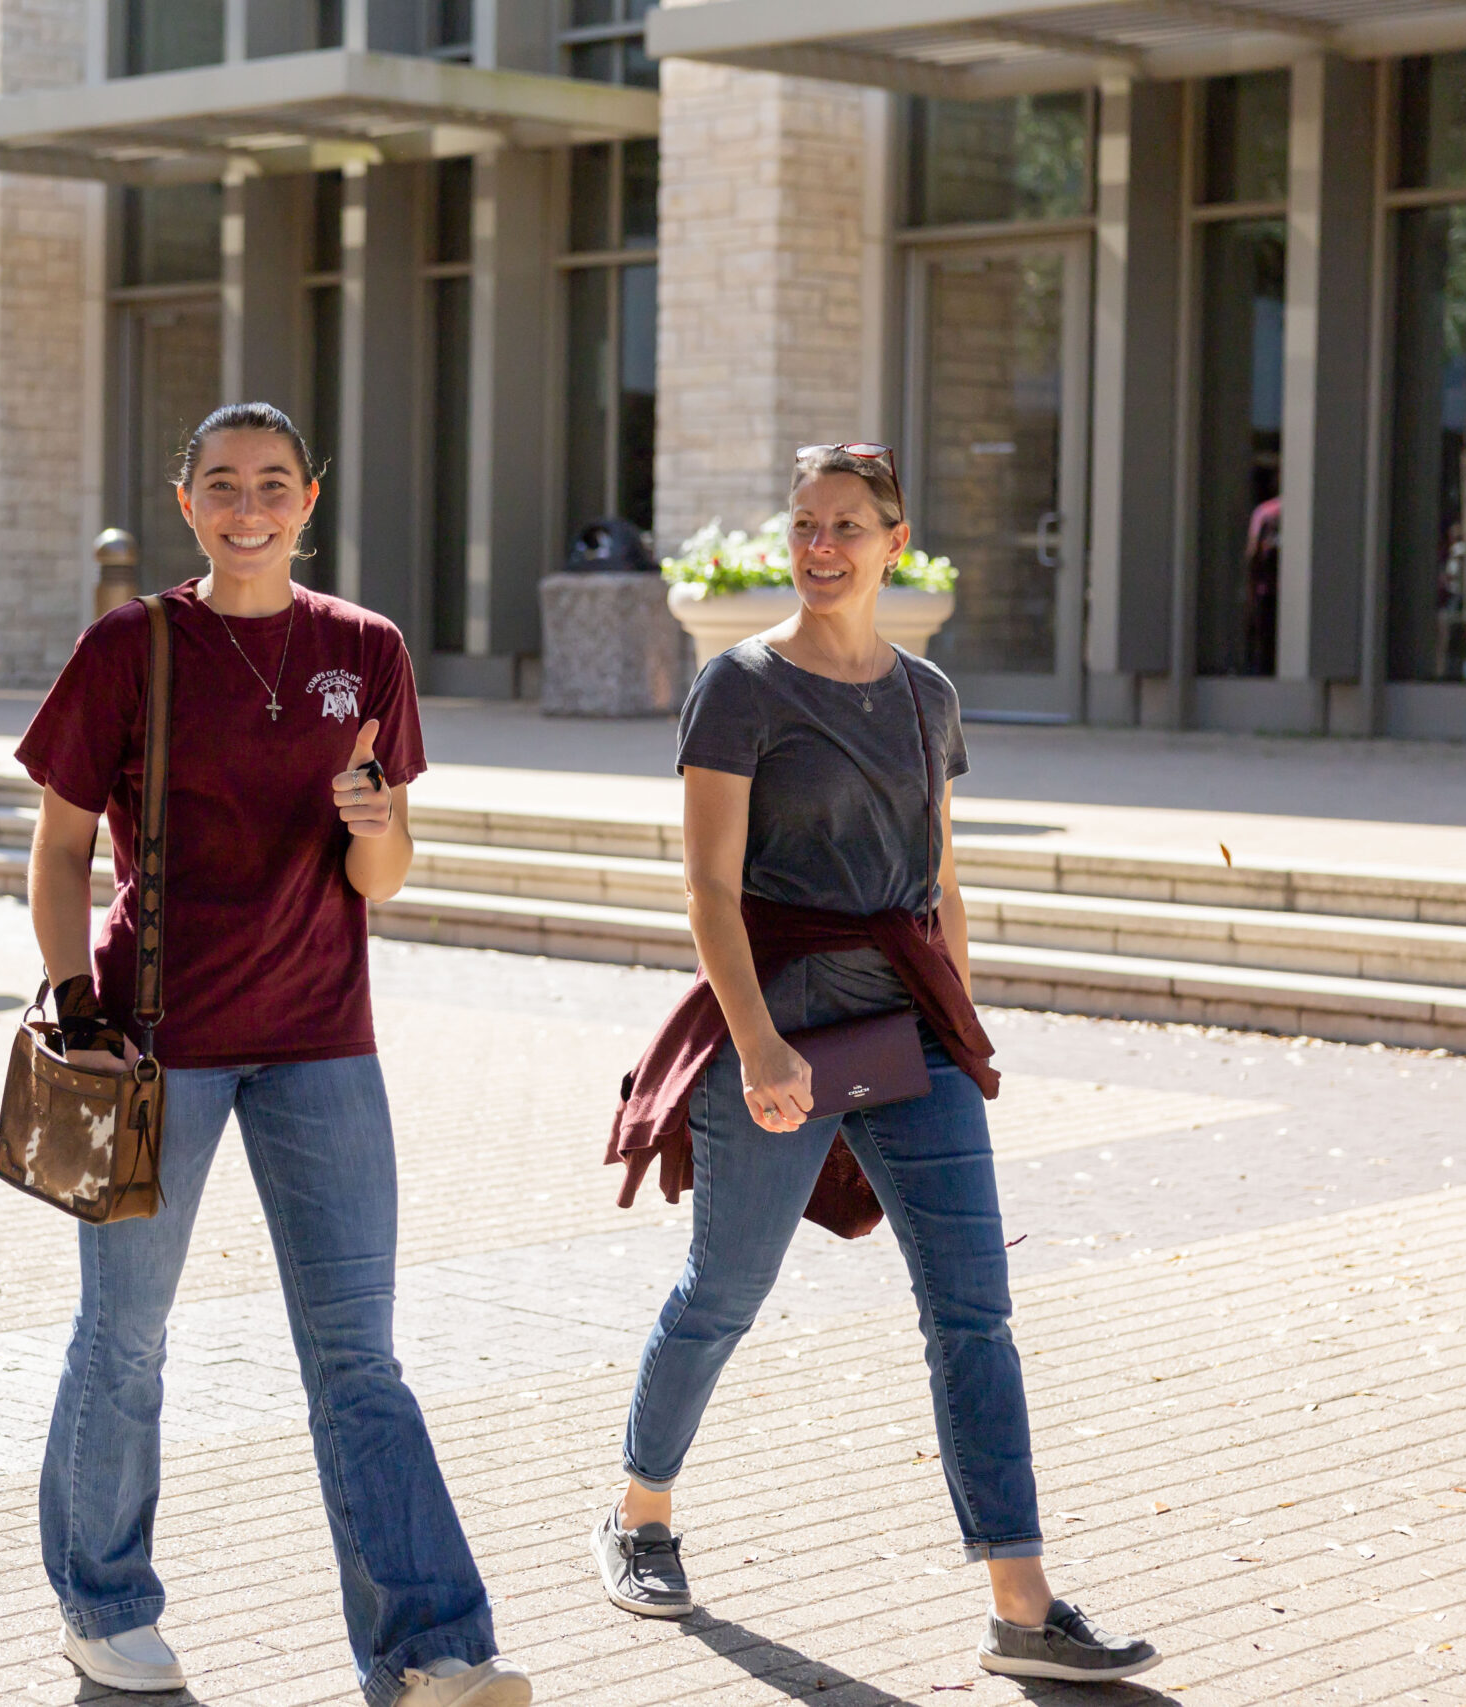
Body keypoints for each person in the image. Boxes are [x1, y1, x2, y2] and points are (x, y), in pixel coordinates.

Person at [596, 443, 1160, 1685]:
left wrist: (959, 1013)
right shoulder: (738, 688)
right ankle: (640, 1512)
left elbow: (941, 873)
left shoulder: (926, 697)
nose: (820, 545)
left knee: (974, 1312)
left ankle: (1022, 1602)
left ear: (892, 539)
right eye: (804, 522)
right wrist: (753, 1043)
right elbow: (705, 883)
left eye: (846, 524)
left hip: (909, 1032)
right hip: (779, 1028)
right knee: (723, 1291)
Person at [16, 401, 531, 1707]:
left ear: (311, 497)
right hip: (156, 1041)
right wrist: (75, 998)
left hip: (320, 1039)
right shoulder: (131, 647)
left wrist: (373, 820)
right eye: (223, 483)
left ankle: (431, 1644)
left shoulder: (367, 647)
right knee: (125, 1334)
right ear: (186, 499)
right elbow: (63, 843)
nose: (250, 505)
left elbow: (388, 871)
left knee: (358, 1352)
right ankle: (104, 1600)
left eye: (274, 483)